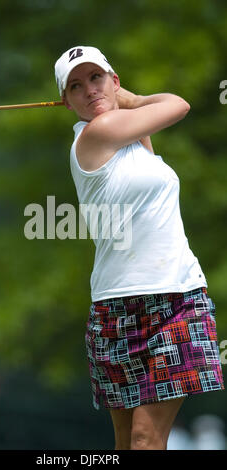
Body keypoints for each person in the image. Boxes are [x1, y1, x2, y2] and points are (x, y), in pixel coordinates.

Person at [54, 46, 225, 450]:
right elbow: (176, 104)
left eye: (96, 78)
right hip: (114, 307)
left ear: (114, 79)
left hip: (176, 298)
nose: (89, 90)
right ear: (67, 102)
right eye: (76, 87)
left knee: (146, 438)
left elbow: (172, 108)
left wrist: (126, 102)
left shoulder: (134, 141)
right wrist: (130, 99)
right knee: (124, 441)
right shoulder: (95, 135)